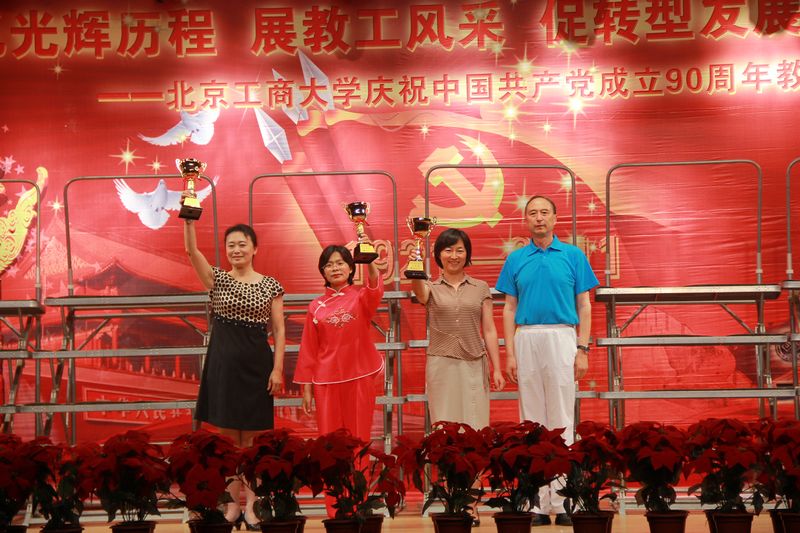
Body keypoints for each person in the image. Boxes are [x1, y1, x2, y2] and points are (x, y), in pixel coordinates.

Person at [495, 195, 598, 527]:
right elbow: (509, 308)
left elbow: (585, 305)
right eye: (532, 213)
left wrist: (582, 348)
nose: (539, 218)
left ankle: (565, 500)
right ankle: (536, 503)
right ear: (526, 220)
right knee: (532, 420)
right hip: (526, 337)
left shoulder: (573, 255)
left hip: (562, 336)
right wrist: (509, 352)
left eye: (544, 213)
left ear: (555, 218)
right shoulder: (516, 259)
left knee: (562, 417)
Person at [184, 219, 286, 530]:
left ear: (255, 249)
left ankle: (253, 507)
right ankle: (231, 506)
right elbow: (191, 251)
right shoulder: (217, 279)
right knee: (228, 442)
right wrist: (189, 221)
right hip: (223, 368)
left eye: (243, 244)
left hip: (257, 368)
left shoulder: (271, 285)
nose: (236, 249)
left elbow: (279, 330)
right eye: (231, 245)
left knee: (253, 442)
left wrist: (278, 369)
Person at [410, 228, 505, 429]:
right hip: (441, 362)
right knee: (444, 421)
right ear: (439, 255)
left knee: (475, 420)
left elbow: (489, 330)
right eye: (448, 250)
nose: (454, 256)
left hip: (474, 361)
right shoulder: (431, 288)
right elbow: (419, 293)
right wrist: (415, 266)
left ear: (467, 254)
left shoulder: (480, 287)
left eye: (460, 250)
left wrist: (497, 369)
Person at [294, 244, 384, 444]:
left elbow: (374, 286)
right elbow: (309, 349)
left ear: (351, 268)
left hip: (359, 375)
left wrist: (369, 260)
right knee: (329, 440)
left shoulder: (361, 298)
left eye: (340, 263)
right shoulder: (315, 306)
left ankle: (360, 468)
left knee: (359, 437)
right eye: (328, 265)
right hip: (326, 380)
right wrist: (307, 390)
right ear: (323, 272)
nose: (334, 268)